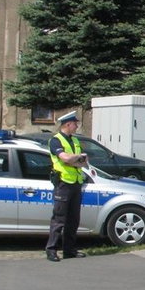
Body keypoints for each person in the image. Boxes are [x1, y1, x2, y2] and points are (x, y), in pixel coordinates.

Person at [45, 111, 88, 262]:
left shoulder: (75, 140)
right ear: (67, 124)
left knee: (73, 219)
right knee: (59, 219)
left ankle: (69, 250)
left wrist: (73, 159)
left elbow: (84, 161)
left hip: (76, 182)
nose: (77, 126)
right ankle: (51, 250)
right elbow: (64, 158)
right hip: (63, 183)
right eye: (75, 123)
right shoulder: (55, 141)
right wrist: (75, 158)